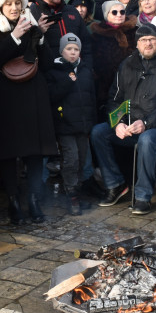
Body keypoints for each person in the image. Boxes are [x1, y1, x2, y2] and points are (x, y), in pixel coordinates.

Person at [0, 0, 56, 224]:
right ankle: (13, 203)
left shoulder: (33, 28)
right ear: (0, 6)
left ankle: (34, 200)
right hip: (6, 101)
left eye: (17, 3)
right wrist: (14, 39)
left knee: (35, 153)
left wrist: (39, 38)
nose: (14, 8)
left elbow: (46, 64)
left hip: (33, 97)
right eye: (8, 3)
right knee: (9, 154)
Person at [91, 23, 156, 214]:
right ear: (137, 44)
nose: (148, 44)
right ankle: (115, 184)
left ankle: (143, 196)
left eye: (152, 39)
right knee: (99, 132)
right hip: (129, 124)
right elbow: (115, 98)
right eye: (143, 40)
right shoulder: (127, 64)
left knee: (147, 138)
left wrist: (146, 123)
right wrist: (117, 122)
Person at [47, 33, 96, 215]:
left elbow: (91, 96)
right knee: (71, 159)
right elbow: (51, 96)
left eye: (76, 49)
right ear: (62, 51)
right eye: (69, 49)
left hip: (83, 125)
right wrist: (68, 82)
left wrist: (92, 121)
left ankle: (78, 192)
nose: (73, 52)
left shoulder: (85, 70)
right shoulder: (55, 70)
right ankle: (71, 196)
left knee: (82, 159)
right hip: (65, 125)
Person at [28, 0, 93, 63]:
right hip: (49, 72)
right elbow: (28, 49)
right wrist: (39, 32)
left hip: (76, 71)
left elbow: (86, 44)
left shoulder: (72, 11)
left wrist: (86, 69)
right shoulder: (32, 13)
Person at [90, 0, 138, 113]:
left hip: (133, 84)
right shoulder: (97, 36)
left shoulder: (135, 31)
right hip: (107, 86)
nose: (119, 15)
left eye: (122, 12)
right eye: (114, 12)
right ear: (107, 14)